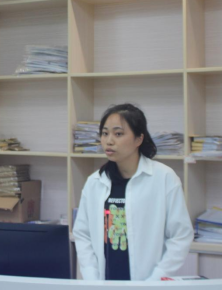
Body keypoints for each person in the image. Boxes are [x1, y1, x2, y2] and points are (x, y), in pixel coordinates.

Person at [72, 103, 193, 281]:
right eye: (105, 133)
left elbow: (180, 236)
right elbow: (83, 234)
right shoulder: (94, 182)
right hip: (103, 282)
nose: (109, 141)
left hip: (149, 283)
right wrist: (91, 276)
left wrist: (156, 279)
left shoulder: (164, 178)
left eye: (118, 134)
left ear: (138, 139)